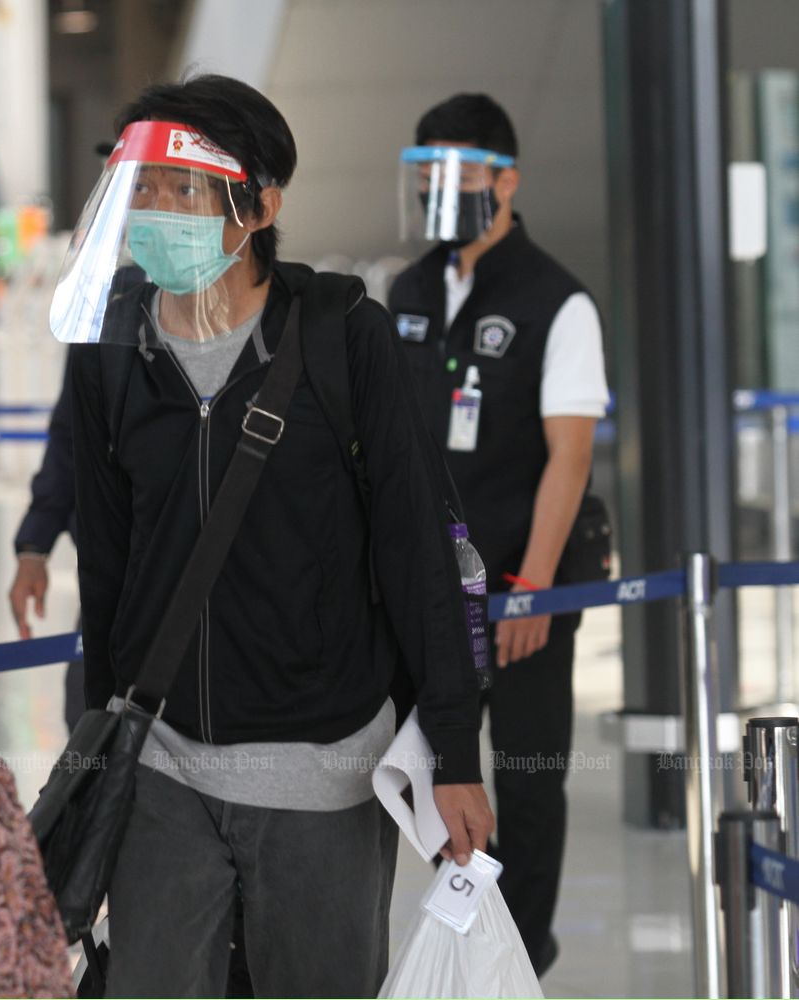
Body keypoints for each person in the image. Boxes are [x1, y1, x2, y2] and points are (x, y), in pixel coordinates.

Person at [52, 75, 493, 996]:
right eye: (142, 188)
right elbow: (106, 560)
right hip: (163, 763)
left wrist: (454, 752)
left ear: (258, 204)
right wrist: (100, 757)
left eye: (184, 188)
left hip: (322, 774)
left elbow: (417, 546)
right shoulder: (109, 351)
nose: (156, 211)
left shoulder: (341, 338)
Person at [388, 93, 611, 976]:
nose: (441, 191)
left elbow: (569, 457)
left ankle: (524, 957)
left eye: (459, 173)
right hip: (431, 585)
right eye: (427, 174)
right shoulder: (407, 291)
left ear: (505, 180)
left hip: (525, 578)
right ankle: (451, 946)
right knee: (427, 770)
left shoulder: (559, 301)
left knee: (524, 772)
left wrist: (534, 588)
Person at [7, 359, 85, 732]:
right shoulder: (106, 313)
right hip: (116, 585)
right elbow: (70, 438)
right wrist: (34, 548)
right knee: (91, 735)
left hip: (227, 591)